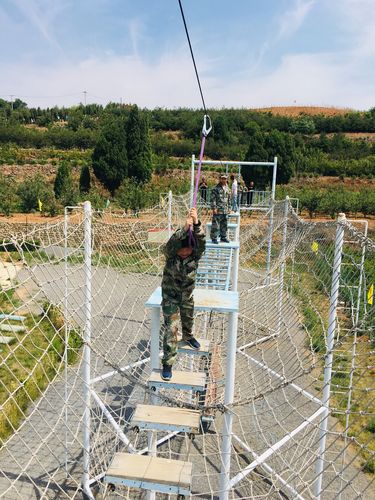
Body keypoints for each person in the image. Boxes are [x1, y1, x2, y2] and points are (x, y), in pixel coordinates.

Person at [160, 207, 206, 381]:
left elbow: (201, 241)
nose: (184, 252)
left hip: (186, 296)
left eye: (187, 249)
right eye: (182, 249)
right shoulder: (171, 255)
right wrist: (184, 229)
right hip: (170, 297)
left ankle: (188, 335)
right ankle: (168, 363)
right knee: (171, 329)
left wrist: (196, 223)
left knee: (188, 318)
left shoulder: (195, 255)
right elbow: (171, 244)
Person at [210, 174, 230, 244]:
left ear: (227, 179)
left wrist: (229, 208)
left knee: (224, 224)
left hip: (225, 209)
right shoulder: (215, 188)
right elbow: (213, 199)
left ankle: (223, 237)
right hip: (218, 209)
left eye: (225, 178)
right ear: (220, 179)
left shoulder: (227, 188)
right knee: (216, 225)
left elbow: (228, 199)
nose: (223, 180)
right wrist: (214, 208)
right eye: (222, 178)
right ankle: (214, 238)